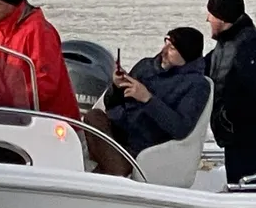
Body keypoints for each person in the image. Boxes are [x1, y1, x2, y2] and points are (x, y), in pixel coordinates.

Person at [83, 29, 211, 177]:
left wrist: (147, 99)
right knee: (93, 116)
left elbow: (180, 128)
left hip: (149, 147)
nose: (163, 51)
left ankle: (115, 170)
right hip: (121, 134)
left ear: (186, 54)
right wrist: (117, 87)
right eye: (165, 44)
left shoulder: (197, 85)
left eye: (172, 48)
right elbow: (112, 105)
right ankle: (113, 167)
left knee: (110, 165)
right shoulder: (146, 66)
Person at [0, 0, 81, 121]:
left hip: (49, 121)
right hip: (14, 116)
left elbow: (45, 85)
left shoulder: (40, 32)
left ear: (8, 2)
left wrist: (8, 105)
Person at [204, 0, 256, 183]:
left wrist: (227, 117)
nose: (207, 19)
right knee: (236, 185)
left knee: (250, 191)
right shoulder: (225, 43)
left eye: (211, 14)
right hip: (233, 138)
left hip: (251, 141)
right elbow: (204, 68)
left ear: (222, 17)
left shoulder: (250, 45)